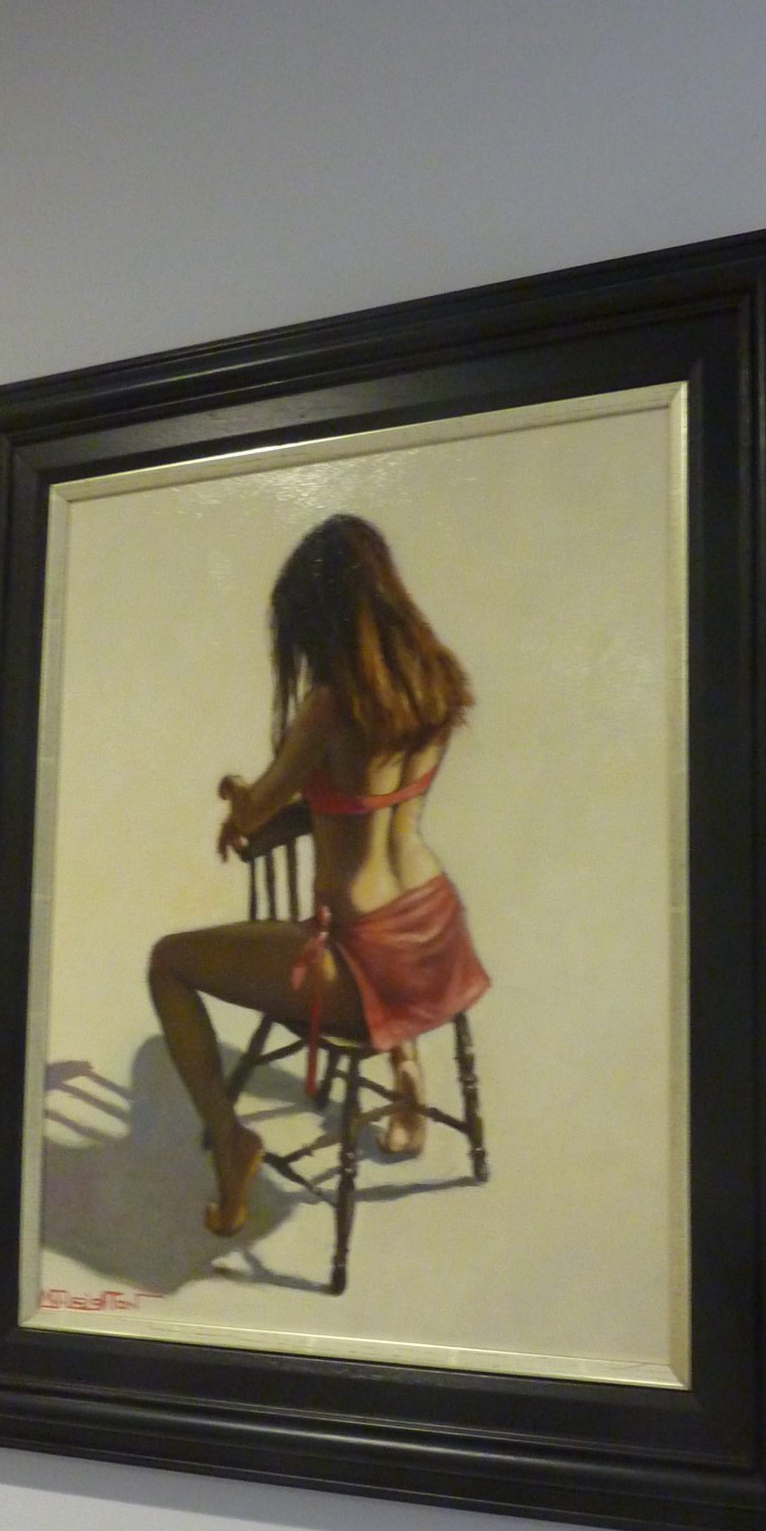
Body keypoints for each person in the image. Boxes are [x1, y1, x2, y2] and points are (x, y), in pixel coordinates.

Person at [148, 514, 490, 1238]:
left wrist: (239, 799)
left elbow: (257, 809)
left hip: (361, 963)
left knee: (167, 962)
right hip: (437, 937)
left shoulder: (330, 707)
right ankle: (406, 1072)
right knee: (360, 933)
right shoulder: (434, 680)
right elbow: (369, 802)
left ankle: (231, 1143)